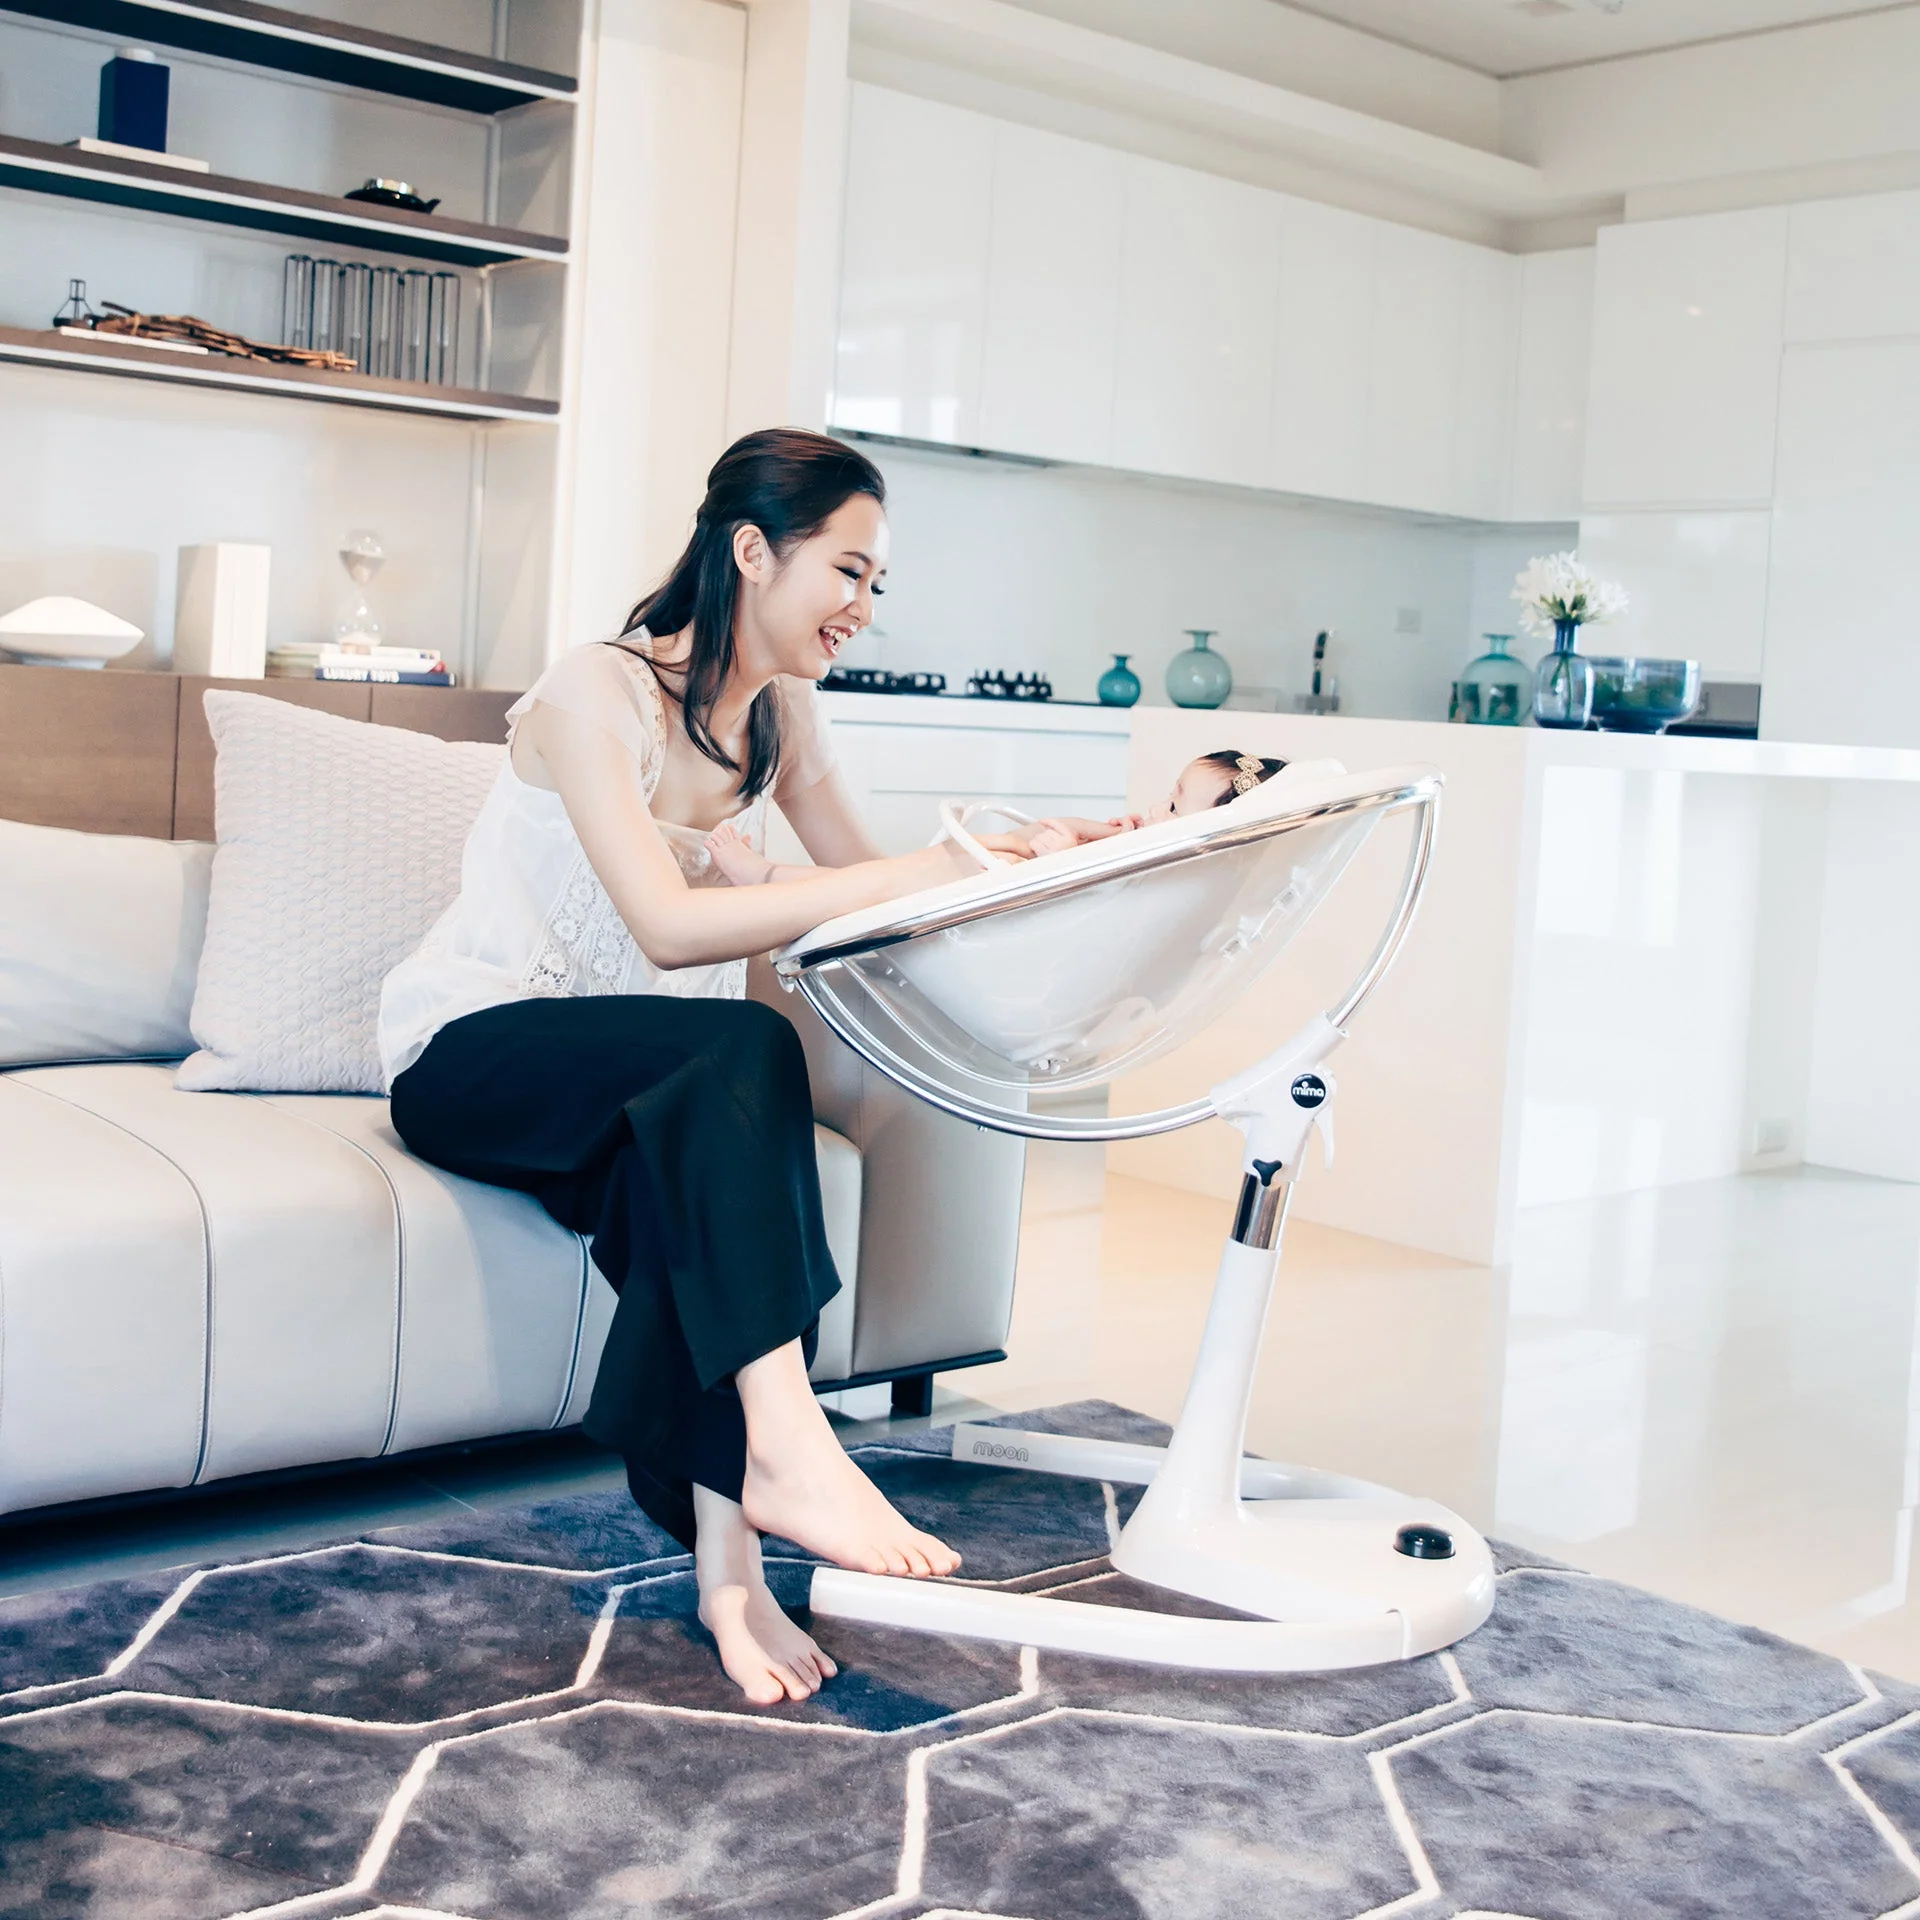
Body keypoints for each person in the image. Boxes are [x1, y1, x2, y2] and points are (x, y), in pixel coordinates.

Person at [378, 429, 990, 1708]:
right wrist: (911, 870)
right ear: (753, 551)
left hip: (656, 1087)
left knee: (709, 1179)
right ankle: (794, 1446)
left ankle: (729, 1571)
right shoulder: (592, 692)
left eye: (878, 583)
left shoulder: (782, 717)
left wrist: (1024, 861)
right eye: (849, 571)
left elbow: (874, 901)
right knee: (746, 1045)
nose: (864, 607)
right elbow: (665, 928)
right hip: (479, 1054)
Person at [705, 748, 1290, 885]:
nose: (1154, 809)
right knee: (880, 879)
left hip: (988, 904)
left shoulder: (1161, 873)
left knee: (872, 887)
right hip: (982, 876)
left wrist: (1065, 853)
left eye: (1173, 806)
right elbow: (1051, 834)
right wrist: (1085, 835)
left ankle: (766, 876)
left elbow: (1082, 889)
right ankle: (767, 876)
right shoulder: (1145, 847)